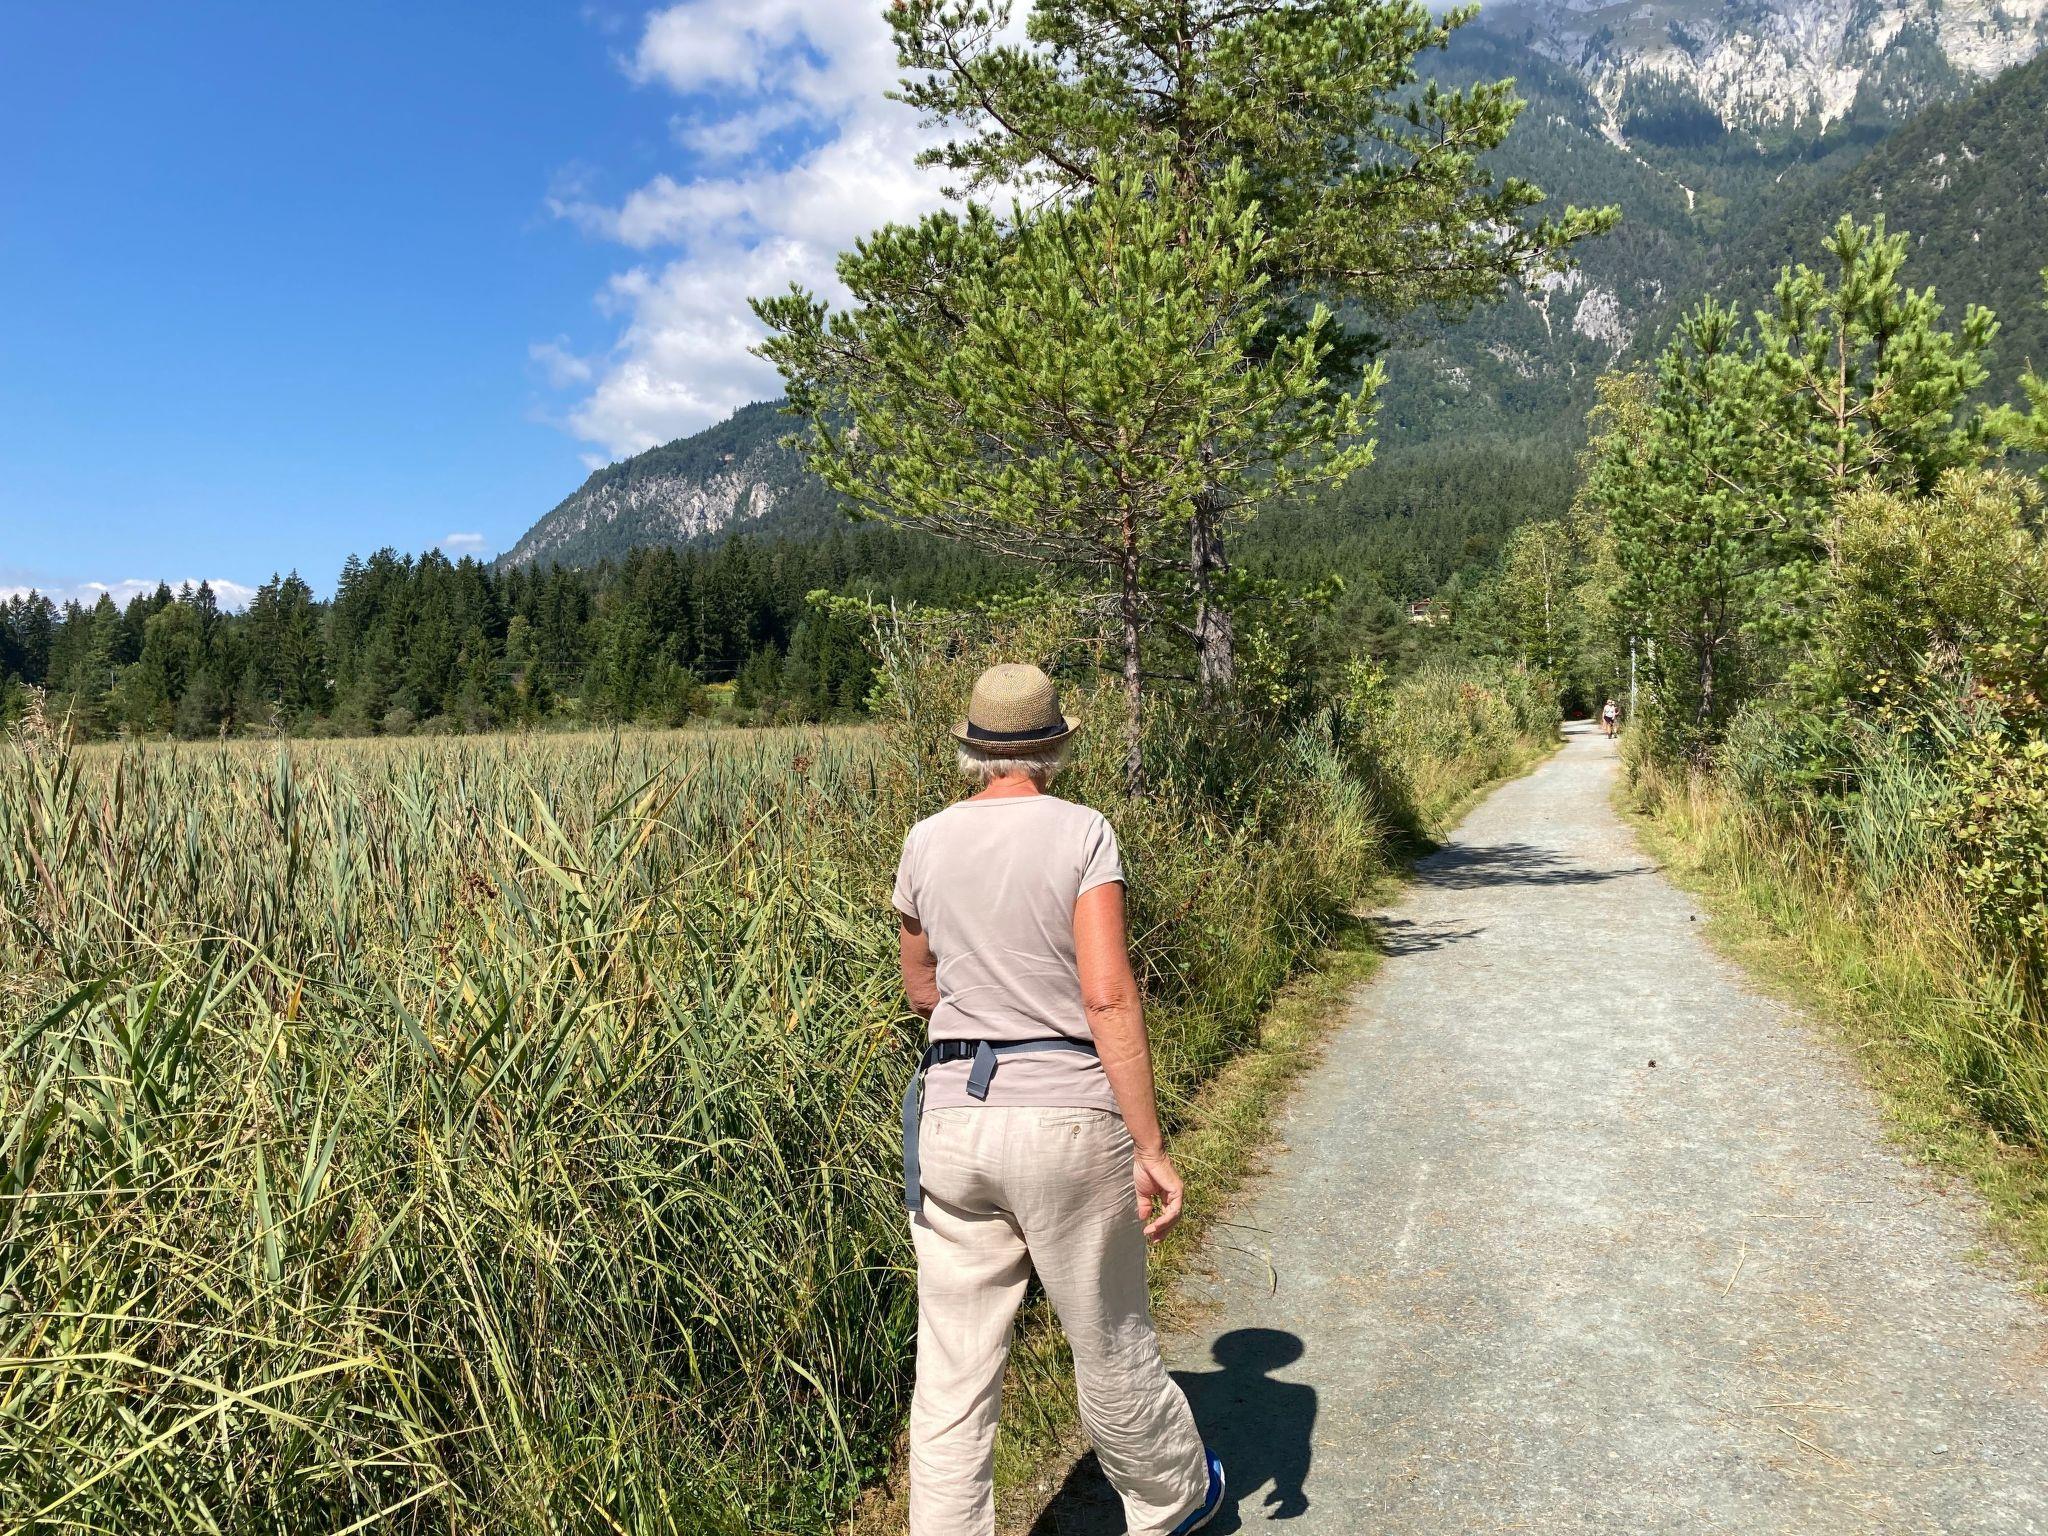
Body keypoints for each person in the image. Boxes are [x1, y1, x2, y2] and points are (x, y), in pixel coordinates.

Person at [894, 663, 1225, 1536]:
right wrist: (1150, 1146)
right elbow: (1107, 996)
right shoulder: (1083, 832)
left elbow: (920, 985)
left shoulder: (925, 840)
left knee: (953, 1371)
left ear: (974, 748)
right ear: (1053, 747)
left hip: (953, 1118)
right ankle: (1170, 1501)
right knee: (1108, 1337)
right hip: (1066, 1116)